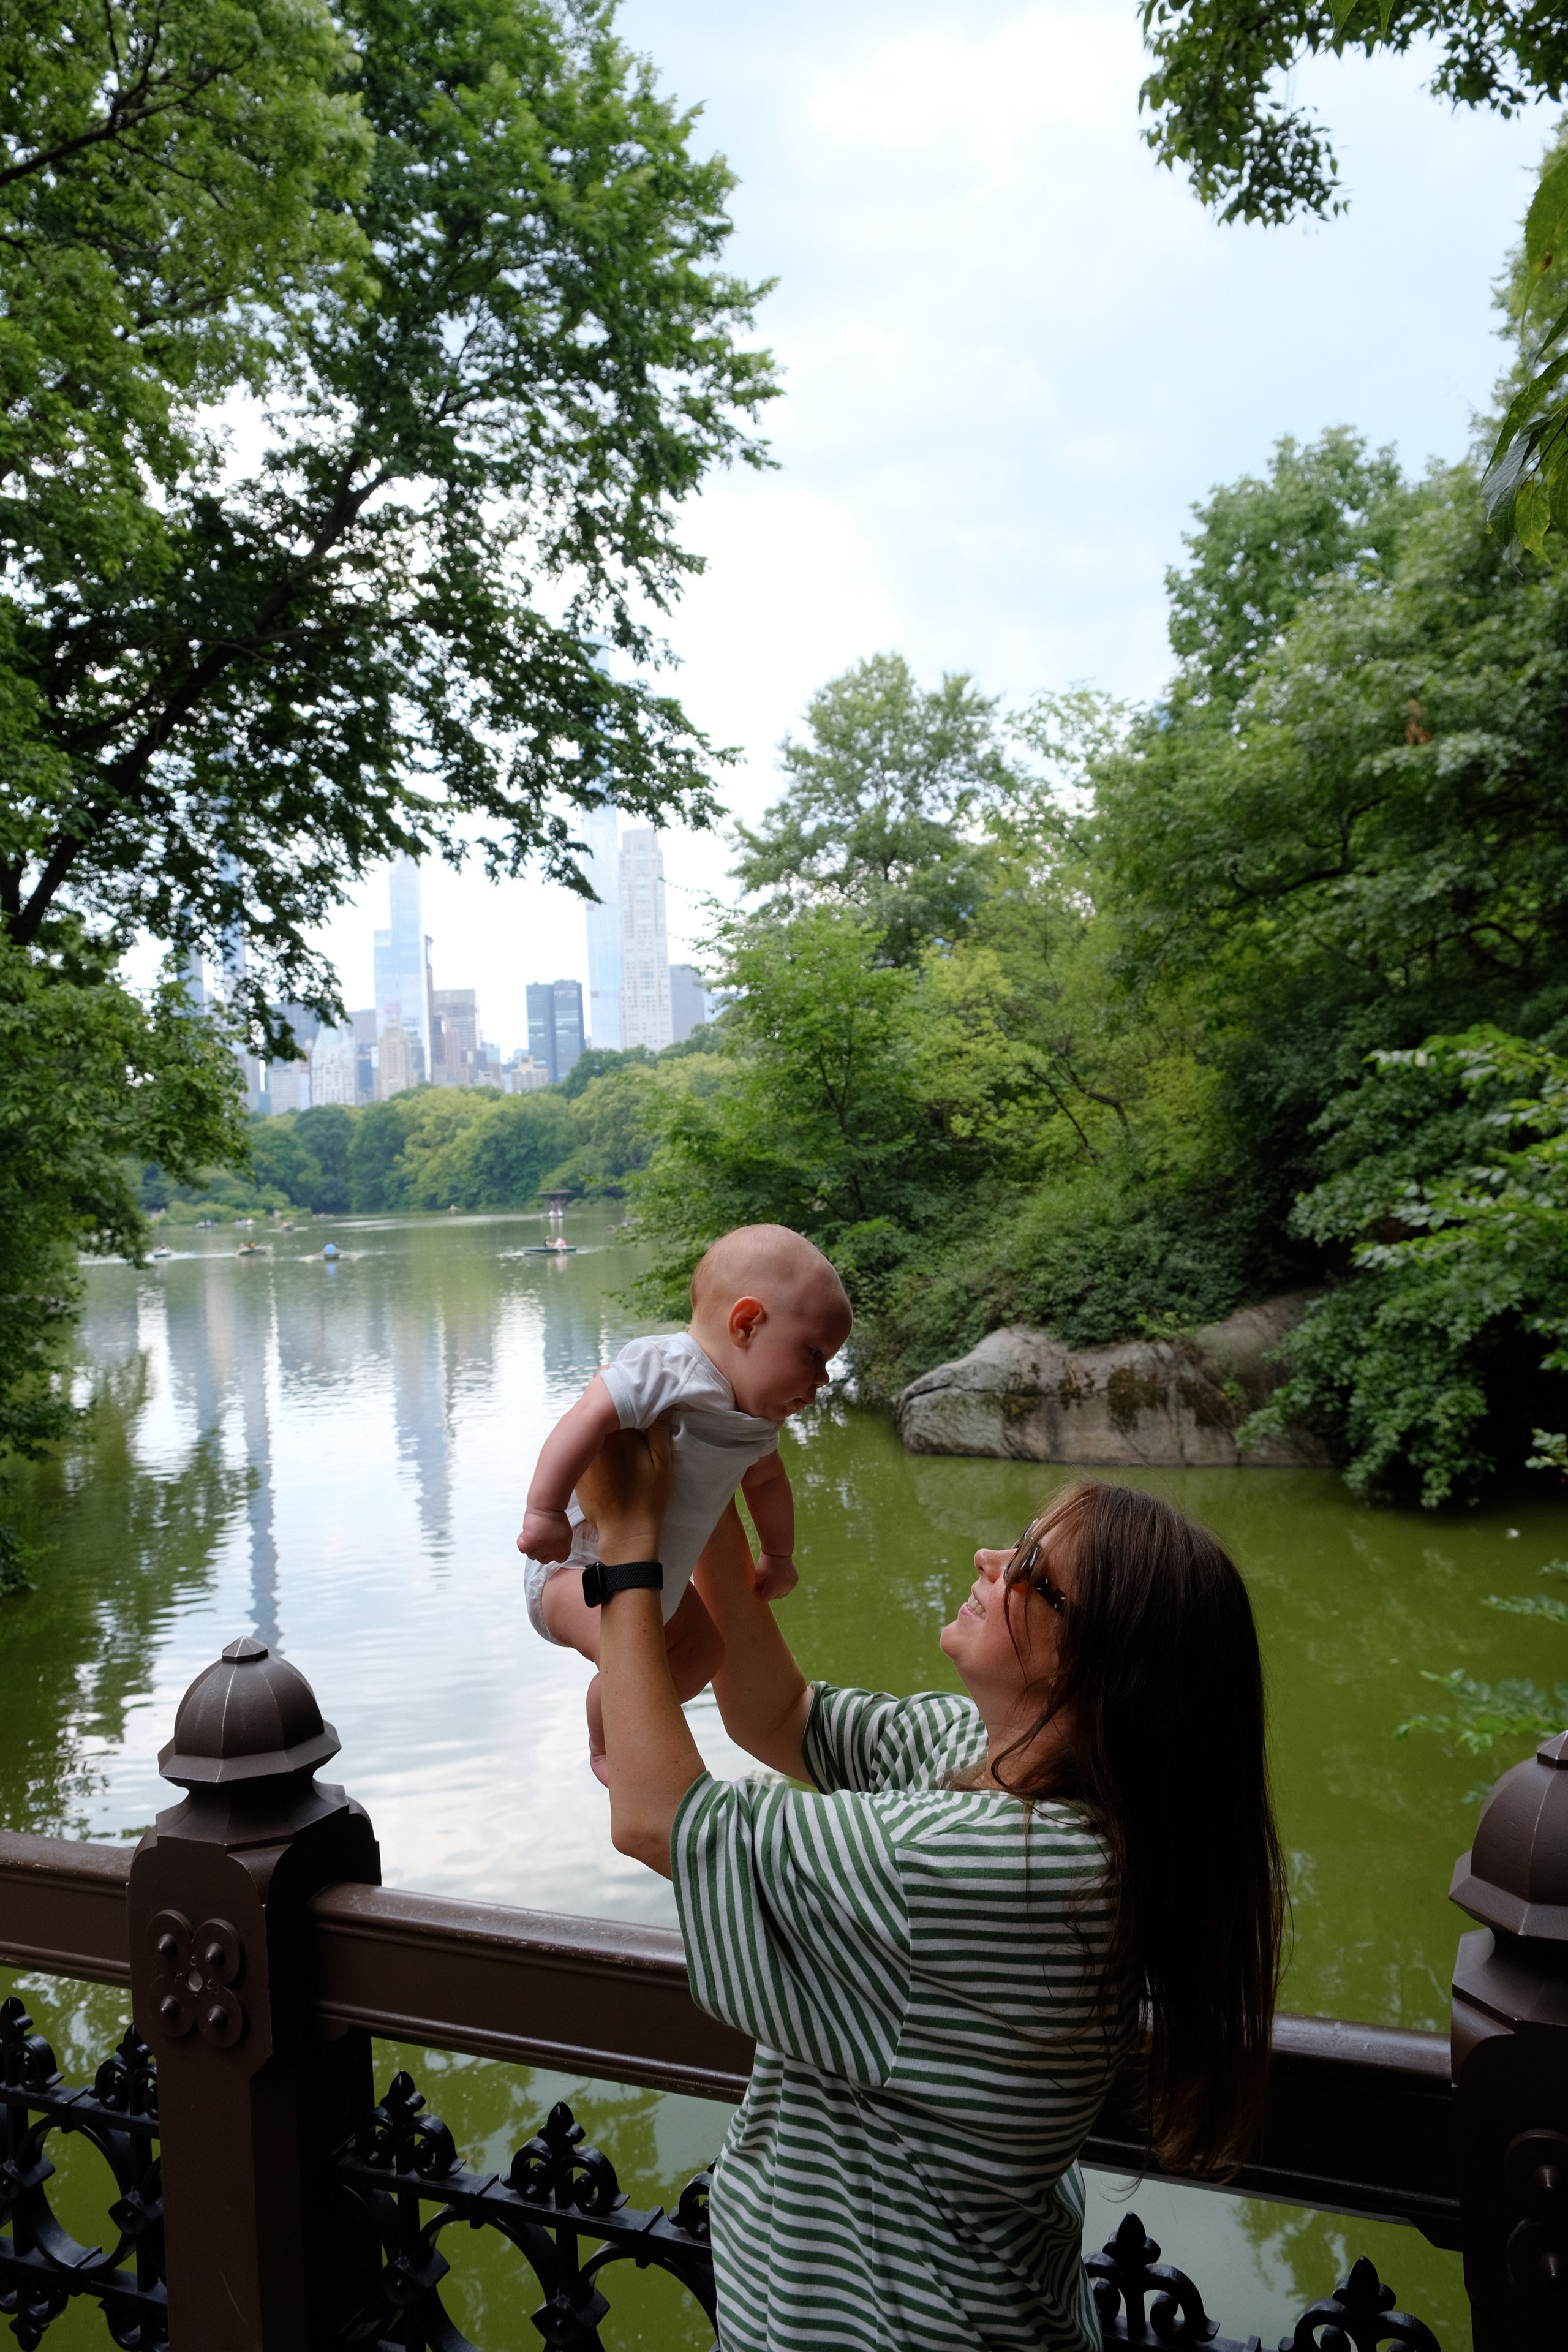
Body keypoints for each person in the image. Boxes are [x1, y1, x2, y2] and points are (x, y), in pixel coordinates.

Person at [573, 1428, 1286, 2352]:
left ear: (1098, 1662)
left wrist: (629, 1549)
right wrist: (708, 1482)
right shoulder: (1002, 1764)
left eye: (1031, 1568)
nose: (992, 1560)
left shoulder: (1015, 1867)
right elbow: (779, 1714)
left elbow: (658, 1816)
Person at [518, 1224, 853, 1781]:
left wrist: (779, 1555)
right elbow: (585, 1418)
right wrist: (544, 1512)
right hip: (575, 1568)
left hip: (660, 1585)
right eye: (814, 1354)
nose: (822, 1380)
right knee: (635, 1662)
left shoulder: (756, 1422)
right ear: (746, 1324)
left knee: (702, 1656)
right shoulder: (666, 1368)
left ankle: (612, 1705)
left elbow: (767, 1484)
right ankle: (607, 1748)